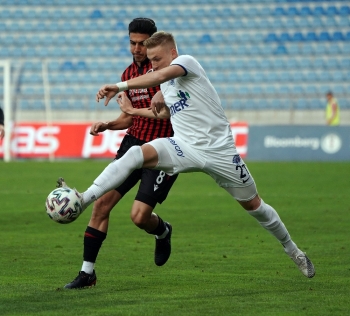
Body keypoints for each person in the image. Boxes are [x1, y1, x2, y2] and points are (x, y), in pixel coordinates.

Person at [60, 31, 315, 279]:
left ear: (173, 52)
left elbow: (163, 74)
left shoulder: (187, 62)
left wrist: (119, 86)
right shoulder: (166, 87)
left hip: (220, 152)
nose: (153, 65)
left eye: (157, 59)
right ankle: (84, 199)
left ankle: (292, 249)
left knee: (254, 206)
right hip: (183, 147)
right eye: (150, 61)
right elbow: (166, 114)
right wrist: (135, 111)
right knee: (136, 154)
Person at [62, 19, 178, 289]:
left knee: (139, 217)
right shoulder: (128, 74)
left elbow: (164, 112)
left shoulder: (164, 71)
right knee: (102, 205)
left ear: (151, 42)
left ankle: (162, 230)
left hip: (162, 149)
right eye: (132, 42)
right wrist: (108, 125)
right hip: (133, 143)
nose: (136, 49)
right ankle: (87, 273)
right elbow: (128, 117)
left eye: (141, 43)